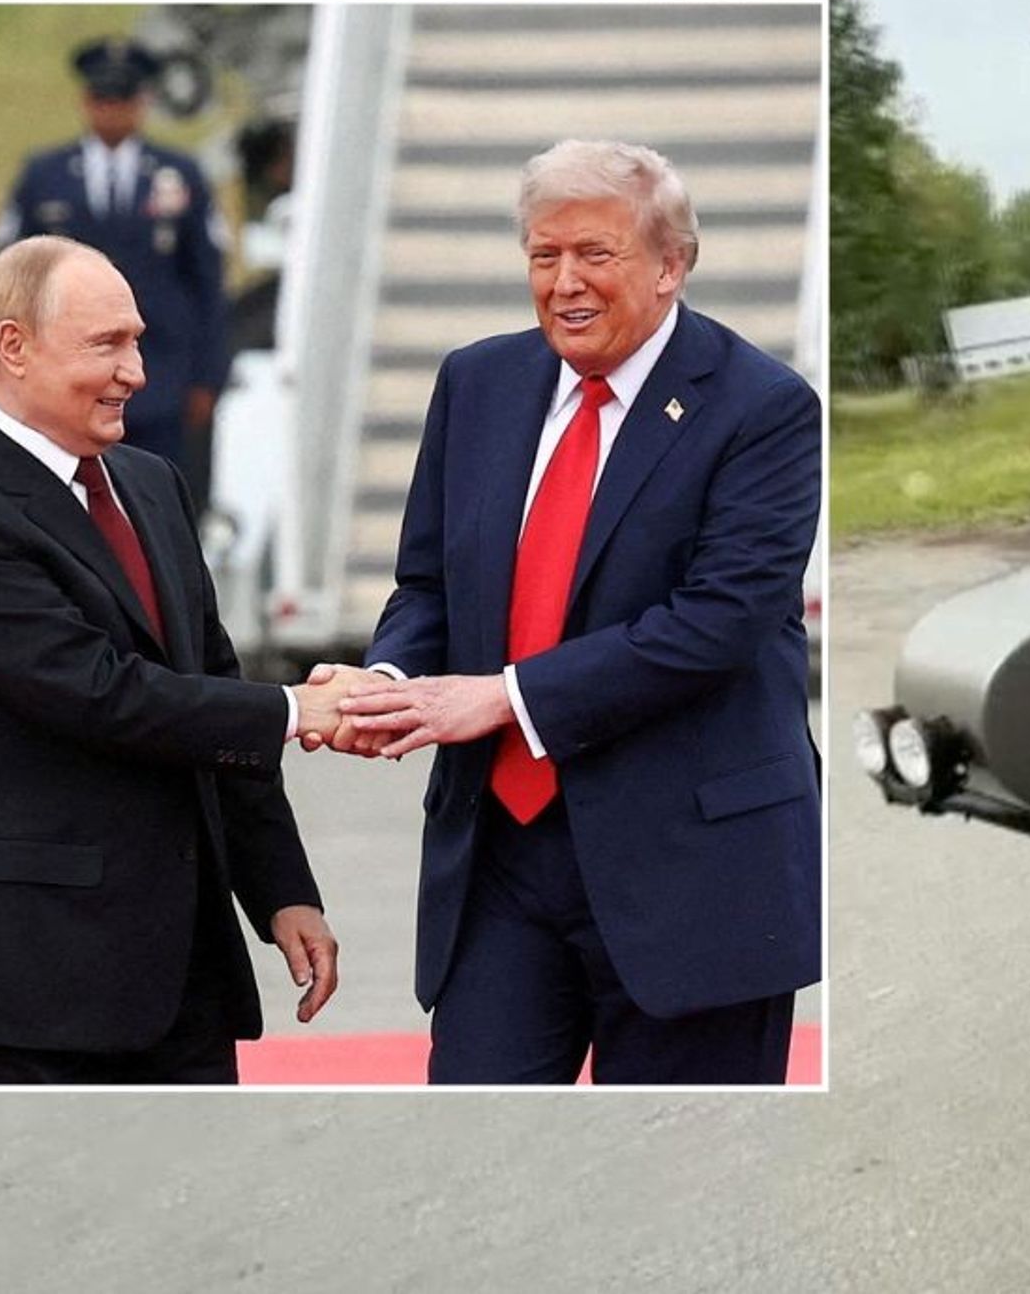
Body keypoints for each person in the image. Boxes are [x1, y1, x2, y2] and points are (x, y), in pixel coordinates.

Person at [313, 139, 822, 1085]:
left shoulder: (765, 409)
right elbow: (429, 584)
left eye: (596, 254)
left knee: (682, 1185)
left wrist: (505, 699)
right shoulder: (478, 383)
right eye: (543, 257)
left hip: (691, 870)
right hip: (502, 858)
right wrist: (387, 680)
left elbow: (719, 621)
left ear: (672, 265)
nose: (564, 283)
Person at [0, 236, 354, 1085]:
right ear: (14, 348)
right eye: (106, 345)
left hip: (181, 975)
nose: (137, 372)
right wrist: (301, 710)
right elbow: (101, 696)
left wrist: (282, 889)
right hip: (27, 988)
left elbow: (209, 684)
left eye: (137, 341)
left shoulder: (151, 484)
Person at [0, 38, 229, 487]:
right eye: (103, 98)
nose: (113, 110)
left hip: (161, 370)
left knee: (157, 496)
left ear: (143, 102)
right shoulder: (45, 175)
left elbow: (208, 280)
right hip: (67, 370)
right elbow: (11, 278)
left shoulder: (180, 174)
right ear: (86, 100)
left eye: (124, 98)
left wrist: (208, 374)